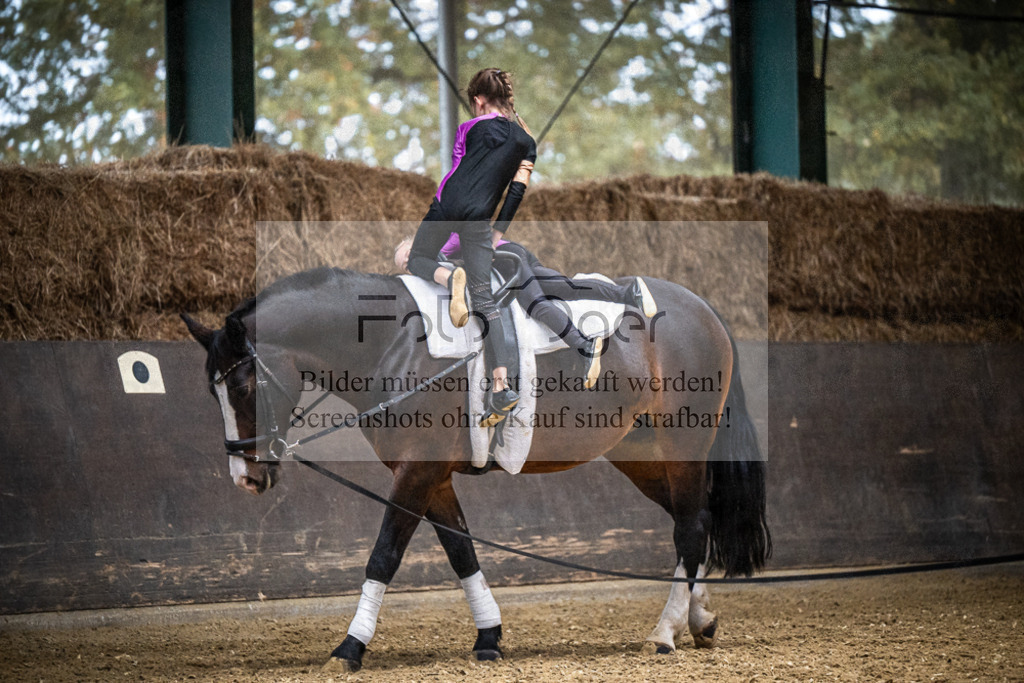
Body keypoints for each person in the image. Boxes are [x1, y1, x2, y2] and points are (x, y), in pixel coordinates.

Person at [405, 68, 536, 428]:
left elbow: (455, 170)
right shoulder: (527, 142)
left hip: (448, 204)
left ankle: (448, 277)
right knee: (485, 300)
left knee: (416, 258)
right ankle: (502, 385)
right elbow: (516, 192)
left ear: (478, 100)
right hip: (480, 218)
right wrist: (498, 232)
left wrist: (442, 214)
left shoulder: (469, 127)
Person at [394, 236, 657, 390]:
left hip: (505, 259)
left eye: (407, 256)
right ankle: (627, 293)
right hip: (516, 252)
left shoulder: (435, 245)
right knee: (566, 288)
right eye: (404, 267)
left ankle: (584, 345)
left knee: (537, 305)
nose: (409, 265)